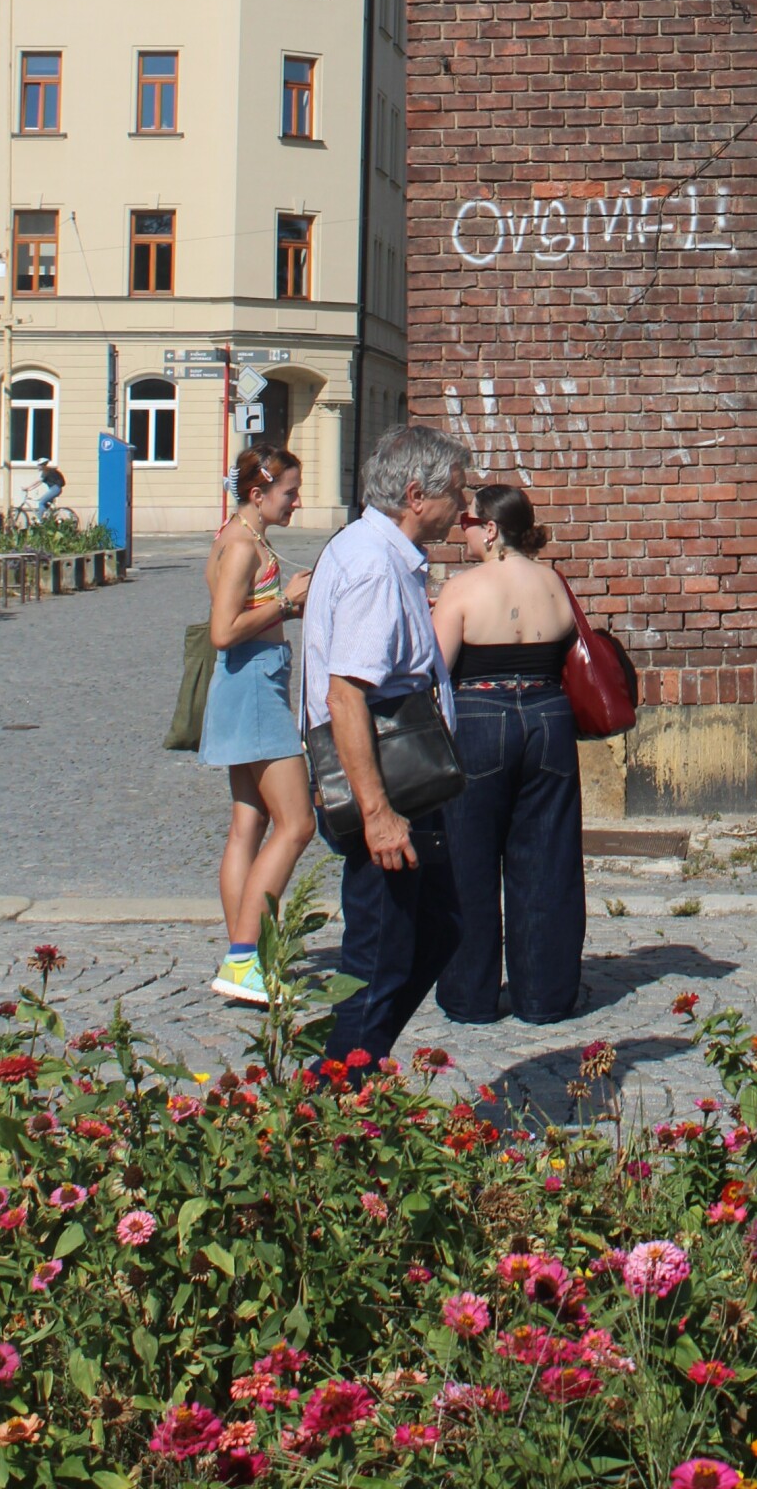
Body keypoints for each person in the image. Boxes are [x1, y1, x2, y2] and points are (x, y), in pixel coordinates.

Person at [300, 424, 469, 1060]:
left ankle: (352, 1066)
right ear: (416, 494)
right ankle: (340, 1084)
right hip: (390, 789)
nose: (464, 506)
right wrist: (377, 813)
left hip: (409, 784)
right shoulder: (374, 568)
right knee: (380, 957)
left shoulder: (371, 551)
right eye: (457, 492)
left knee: (439, 927)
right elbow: (346, 695)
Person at [432, 482, 584, 1025]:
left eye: (468, 522)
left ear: (492, 529)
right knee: (547, 859)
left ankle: (469, 996)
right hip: (550, 717)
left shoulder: (463, 588)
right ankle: (544, 996)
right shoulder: (554, 583)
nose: (463, 531)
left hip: (480, 718)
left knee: (468, 861)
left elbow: (434, 669)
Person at [200, 447, 314, 1007]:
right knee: (298, 823)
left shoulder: (241, 535)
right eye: (290, 492)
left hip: (248, 684)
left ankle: (244, 959)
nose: (297, 502)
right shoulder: (243, 545)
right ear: (258, 493)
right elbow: (223, 631)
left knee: (249, 823)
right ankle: (244, 958)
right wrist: (288, 605)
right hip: (253, 688)